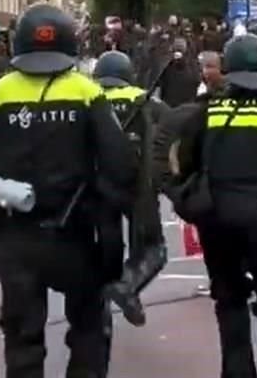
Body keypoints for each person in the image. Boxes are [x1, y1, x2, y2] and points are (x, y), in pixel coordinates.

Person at [0, 3, 135, 377]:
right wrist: (113, 237)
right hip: (77, 237)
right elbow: (121, 169)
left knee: (22, 340)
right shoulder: (86, 91)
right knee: (88, 329)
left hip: (15, 238)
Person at [168, 33, 257, 378]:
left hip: (217, 217)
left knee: (228, 298)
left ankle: (237, 369)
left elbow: (184, 160)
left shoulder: (208, 109)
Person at [92, 50, 168, 326]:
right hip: (139, 188)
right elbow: (172, 132)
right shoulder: (145, 100)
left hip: (98, 185)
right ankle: (128, 287)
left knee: (106, 249)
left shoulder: (88, 98)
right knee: (152, 249)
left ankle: (100, 310)